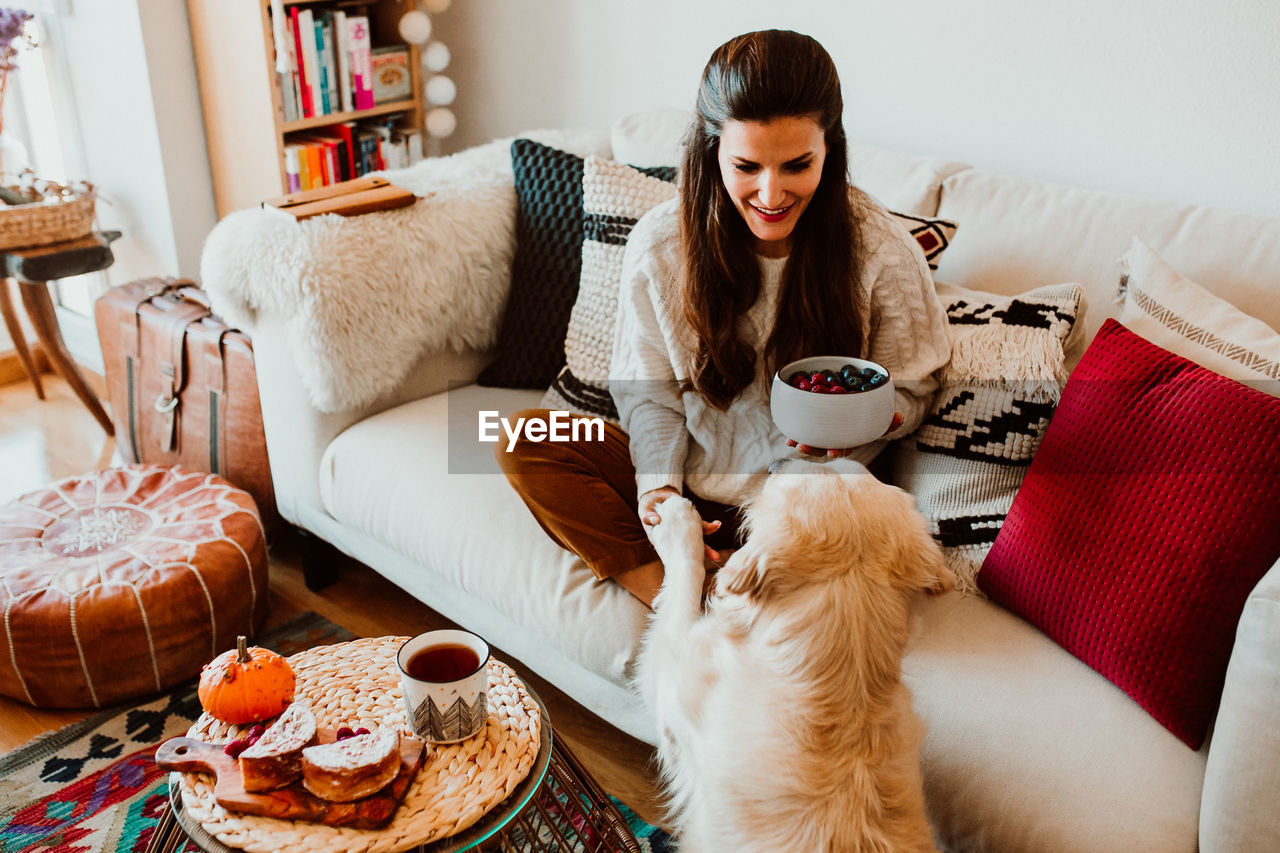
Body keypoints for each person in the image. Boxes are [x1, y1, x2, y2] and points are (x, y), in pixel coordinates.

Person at [497, 29, 950, 607]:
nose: (771, 193)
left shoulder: (882, 249)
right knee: (524, 437)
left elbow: (913, 389)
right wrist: (659, 492)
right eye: (746, 166)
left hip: (809, 498)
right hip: (691, 486)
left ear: (830, 148)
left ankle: (713, 590)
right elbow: (649, 392)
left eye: (797, 165)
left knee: (848, 506)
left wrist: (865, 421)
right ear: (713, 149)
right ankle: (678, 592)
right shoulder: (661, 245)